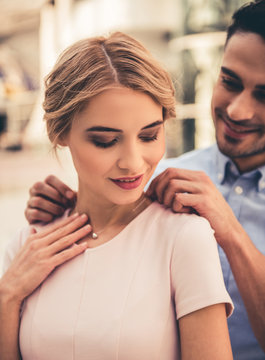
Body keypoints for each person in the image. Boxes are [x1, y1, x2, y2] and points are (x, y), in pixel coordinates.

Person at [24, 1, 265, 359]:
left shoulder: (187, 229)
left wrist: (231, 234)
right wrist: (70, 201)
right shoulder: (156, 176)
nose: (237, 110)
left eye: (264, 95)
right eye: (229, 82)